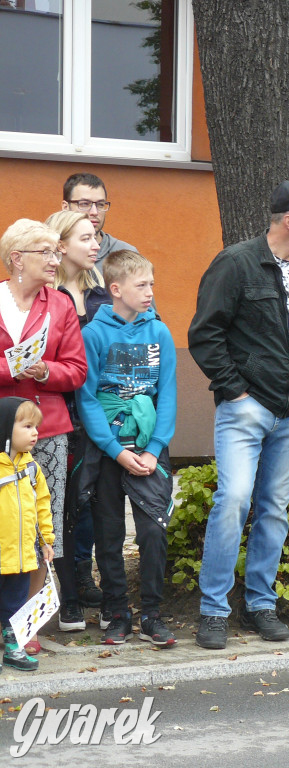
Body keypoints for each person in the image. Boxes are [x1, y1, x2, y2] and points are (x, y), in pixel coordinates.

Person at [188, 179, 289, 650]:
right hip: (246, 407)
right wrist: (235, 391)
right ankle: (213, 611)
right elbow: (204, 334)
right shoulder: (236, 263)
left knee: (274, 509)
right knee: (233, 499)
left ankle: (259, 605)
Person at [75, 250, 177, 646]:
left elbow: (166, 395)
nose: (150, 292)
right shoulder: (93, 335)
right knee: (109, 533)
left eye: (152, 283)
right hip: (107, 449)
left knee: (153, 530)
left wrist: (153, 449)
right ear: (115, 289)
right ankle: (117, 611)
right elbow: (87, 399)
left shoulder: (160, 332)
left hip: (150, 445)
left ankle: (152, 613)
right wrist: (116, 451)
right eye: (142, 285)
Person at [0, 219, 88, 654]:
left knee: (38, 529)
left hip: (46, 432)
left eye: (57, 252)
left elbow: (77, 370)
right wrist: (10, 368)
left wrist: (46, 370)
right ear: (18, 258)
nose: (56, 260)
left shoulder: (61, 306)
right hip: (0, 430)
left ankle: (24, 625)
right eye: (46, 253)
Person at [46, 210, 111, 613]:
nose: (96, 245)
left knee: (88, 499)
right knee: (60, 502)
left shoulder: (105, 293)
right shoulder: (46, 299)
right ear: (61, 244)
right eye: (86, 238)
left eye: (96, 237)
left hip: (98, 412)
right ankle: (62, 582)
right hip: (58, 410)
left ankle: (83, 573)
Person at [0, 398, 53, 672]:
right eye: (27, 426)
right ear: (6, 428)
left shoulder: (31, 468)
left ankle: (13, 647)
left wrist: (46, 540)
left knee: (16, 605)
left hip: (21, 556)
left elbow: (42, 503)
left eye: (37, 427)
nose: (35, 433)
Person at [60, 172, 136, 267]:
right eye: (84, 204)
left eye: (100, 204)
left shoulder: (125, 254)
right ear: (65, 207)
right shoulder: (48, 250)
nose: (94, 212)